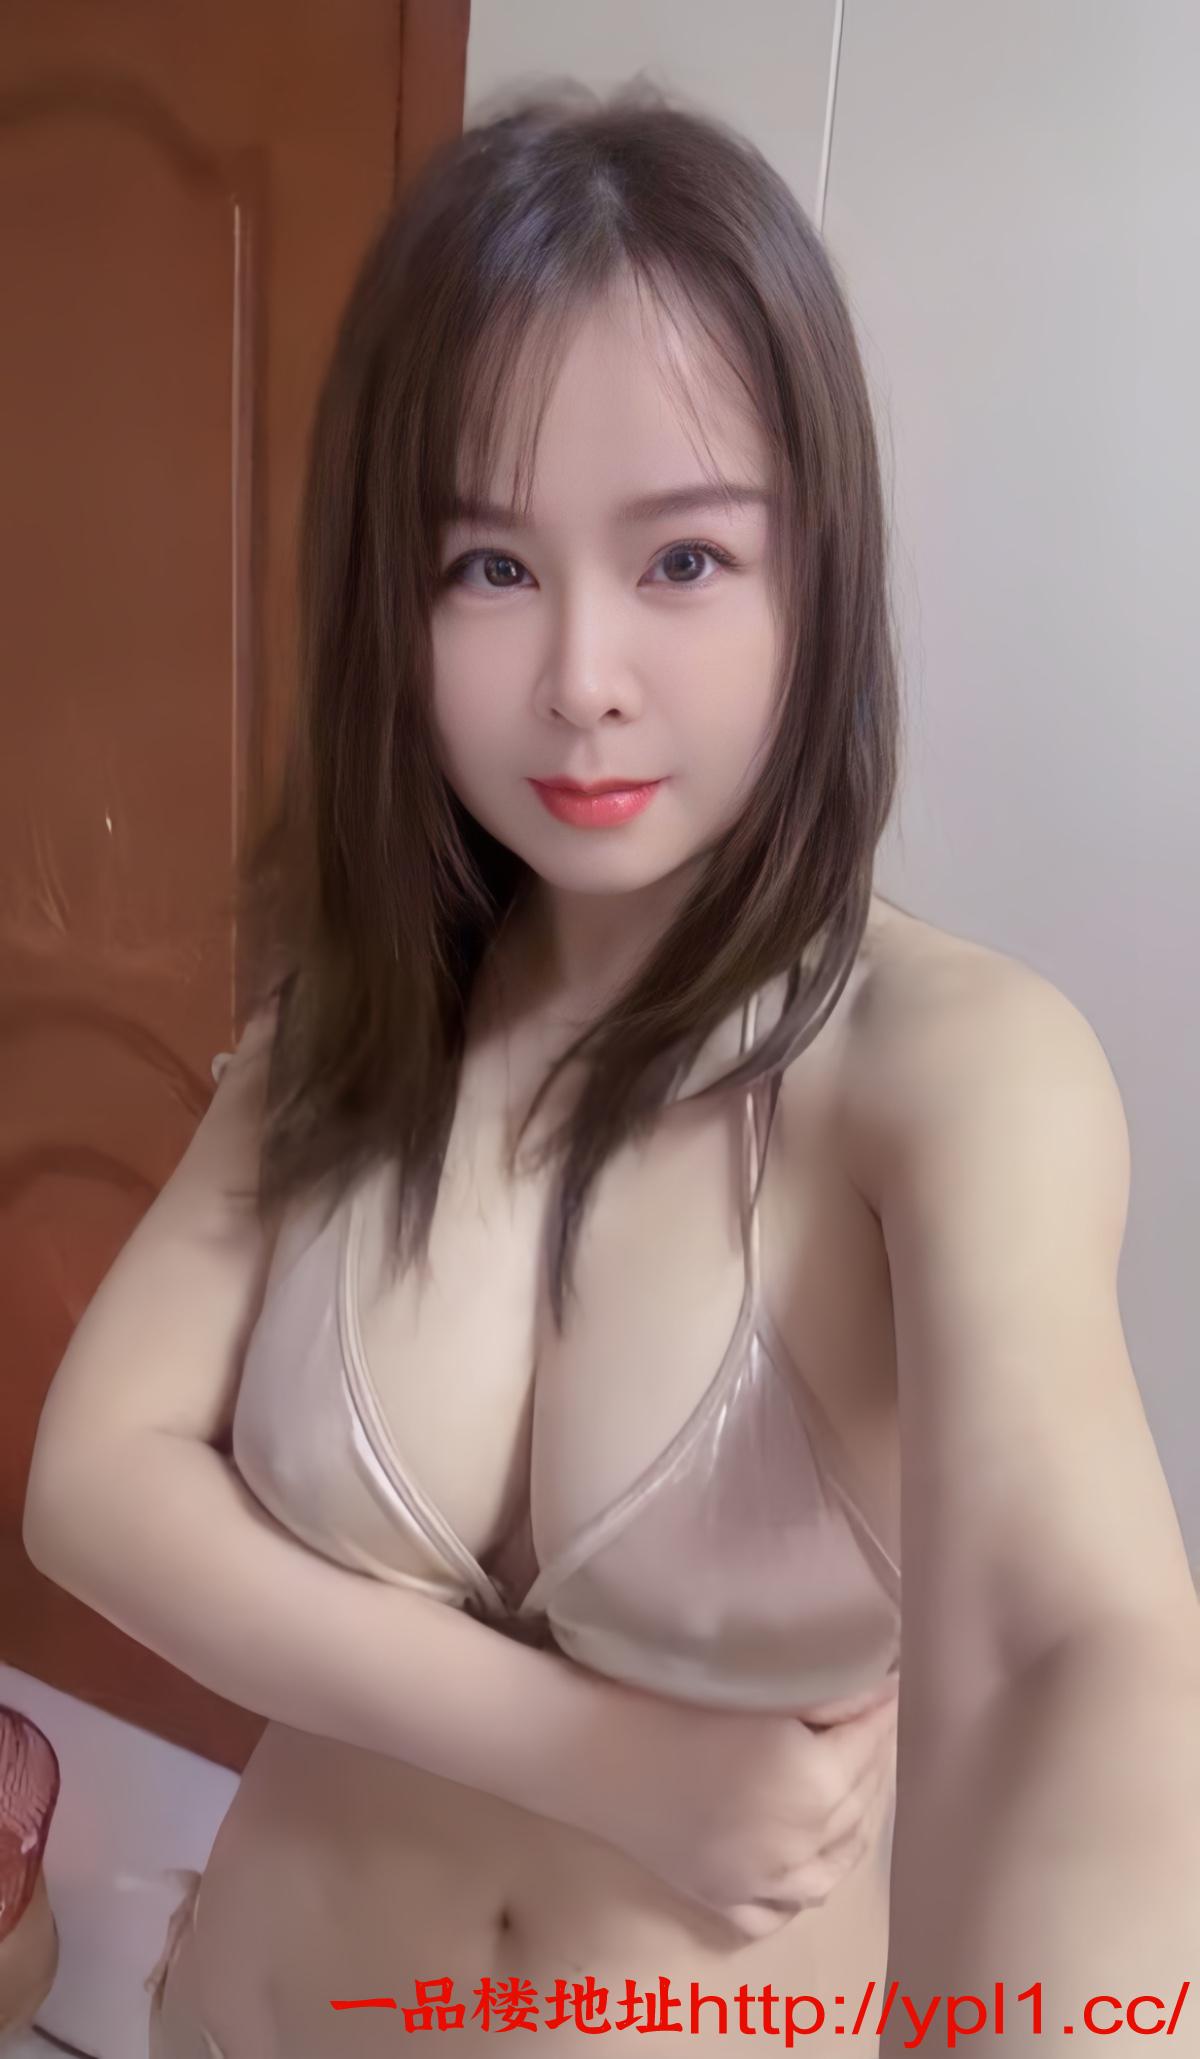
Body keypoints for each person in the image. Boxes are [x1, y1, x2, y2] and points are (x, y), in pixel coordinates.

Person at [22, 79, 1200, 2059]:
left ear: (816, 577)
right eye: (489, 568)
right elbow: (94, 1486)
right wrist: (611, 1758)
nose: (581, 678)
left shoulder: (952, 1074)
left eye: (683, 562)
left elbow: (1072, 1653)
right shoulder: (356, 1018)